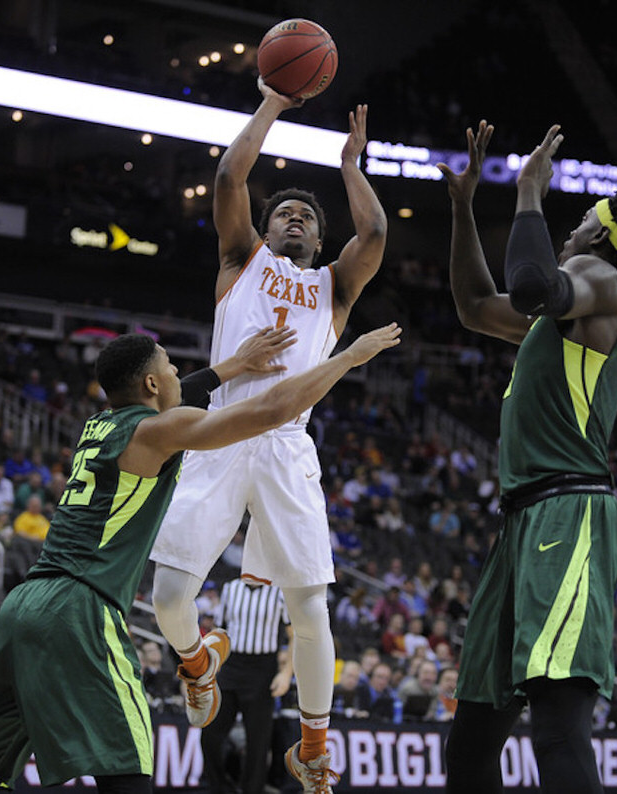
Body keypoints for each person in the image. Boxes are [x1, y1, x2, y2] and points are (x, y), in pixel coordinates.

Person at [0, 323, 399, 793]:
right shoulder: (154, 433)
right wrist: (349, 357)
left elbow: (179, 391)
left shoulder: (100, 424)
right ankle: (197, 667)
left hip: (22, 607)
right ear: (150, 383)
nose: (176, 375)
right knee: (129, 775)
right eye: (169, 367)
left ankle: (197, 660)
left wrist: (231, 366)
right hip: (78, 611)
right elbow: (273, 409)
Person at [149, 76, 388, 793]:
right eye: (282, 212)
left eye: (304, 219)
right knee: (166, 596)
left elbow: (373, 233)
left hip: (287, 444)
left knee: (310, 608)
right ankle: (198, 662)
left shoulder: (333, 291)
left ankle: (312, 747)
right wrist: (275, 105)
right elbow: (229, 175)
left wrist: (350, 167)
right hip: (218, 429)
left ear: (319, 239)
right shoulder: (239, 261)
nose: (292, 220)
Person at [438, 120, 617, 794]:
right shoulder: (569, 308)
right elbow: (473, 306)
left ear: (601, 234)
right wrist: (463, 208)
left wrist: (526, 194)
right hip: (520, 522)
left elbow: (527, 284)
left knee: (557, 724)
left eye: (580, 220)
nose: (571, 229)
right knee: (470, 743)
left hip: (567, 513)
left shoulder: (600, 279)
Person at [200, 578, 293, 794]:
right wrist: (211, 668)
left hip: (263, 669)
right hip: (231, 665)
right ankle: (220, 787)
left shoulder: (279, 591)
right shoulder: (230, 588)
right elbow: (219, 630)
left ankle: (252, 790)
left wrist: (286, 673)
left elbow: (294, 636)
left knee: (258, 744)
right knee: (210, 734)